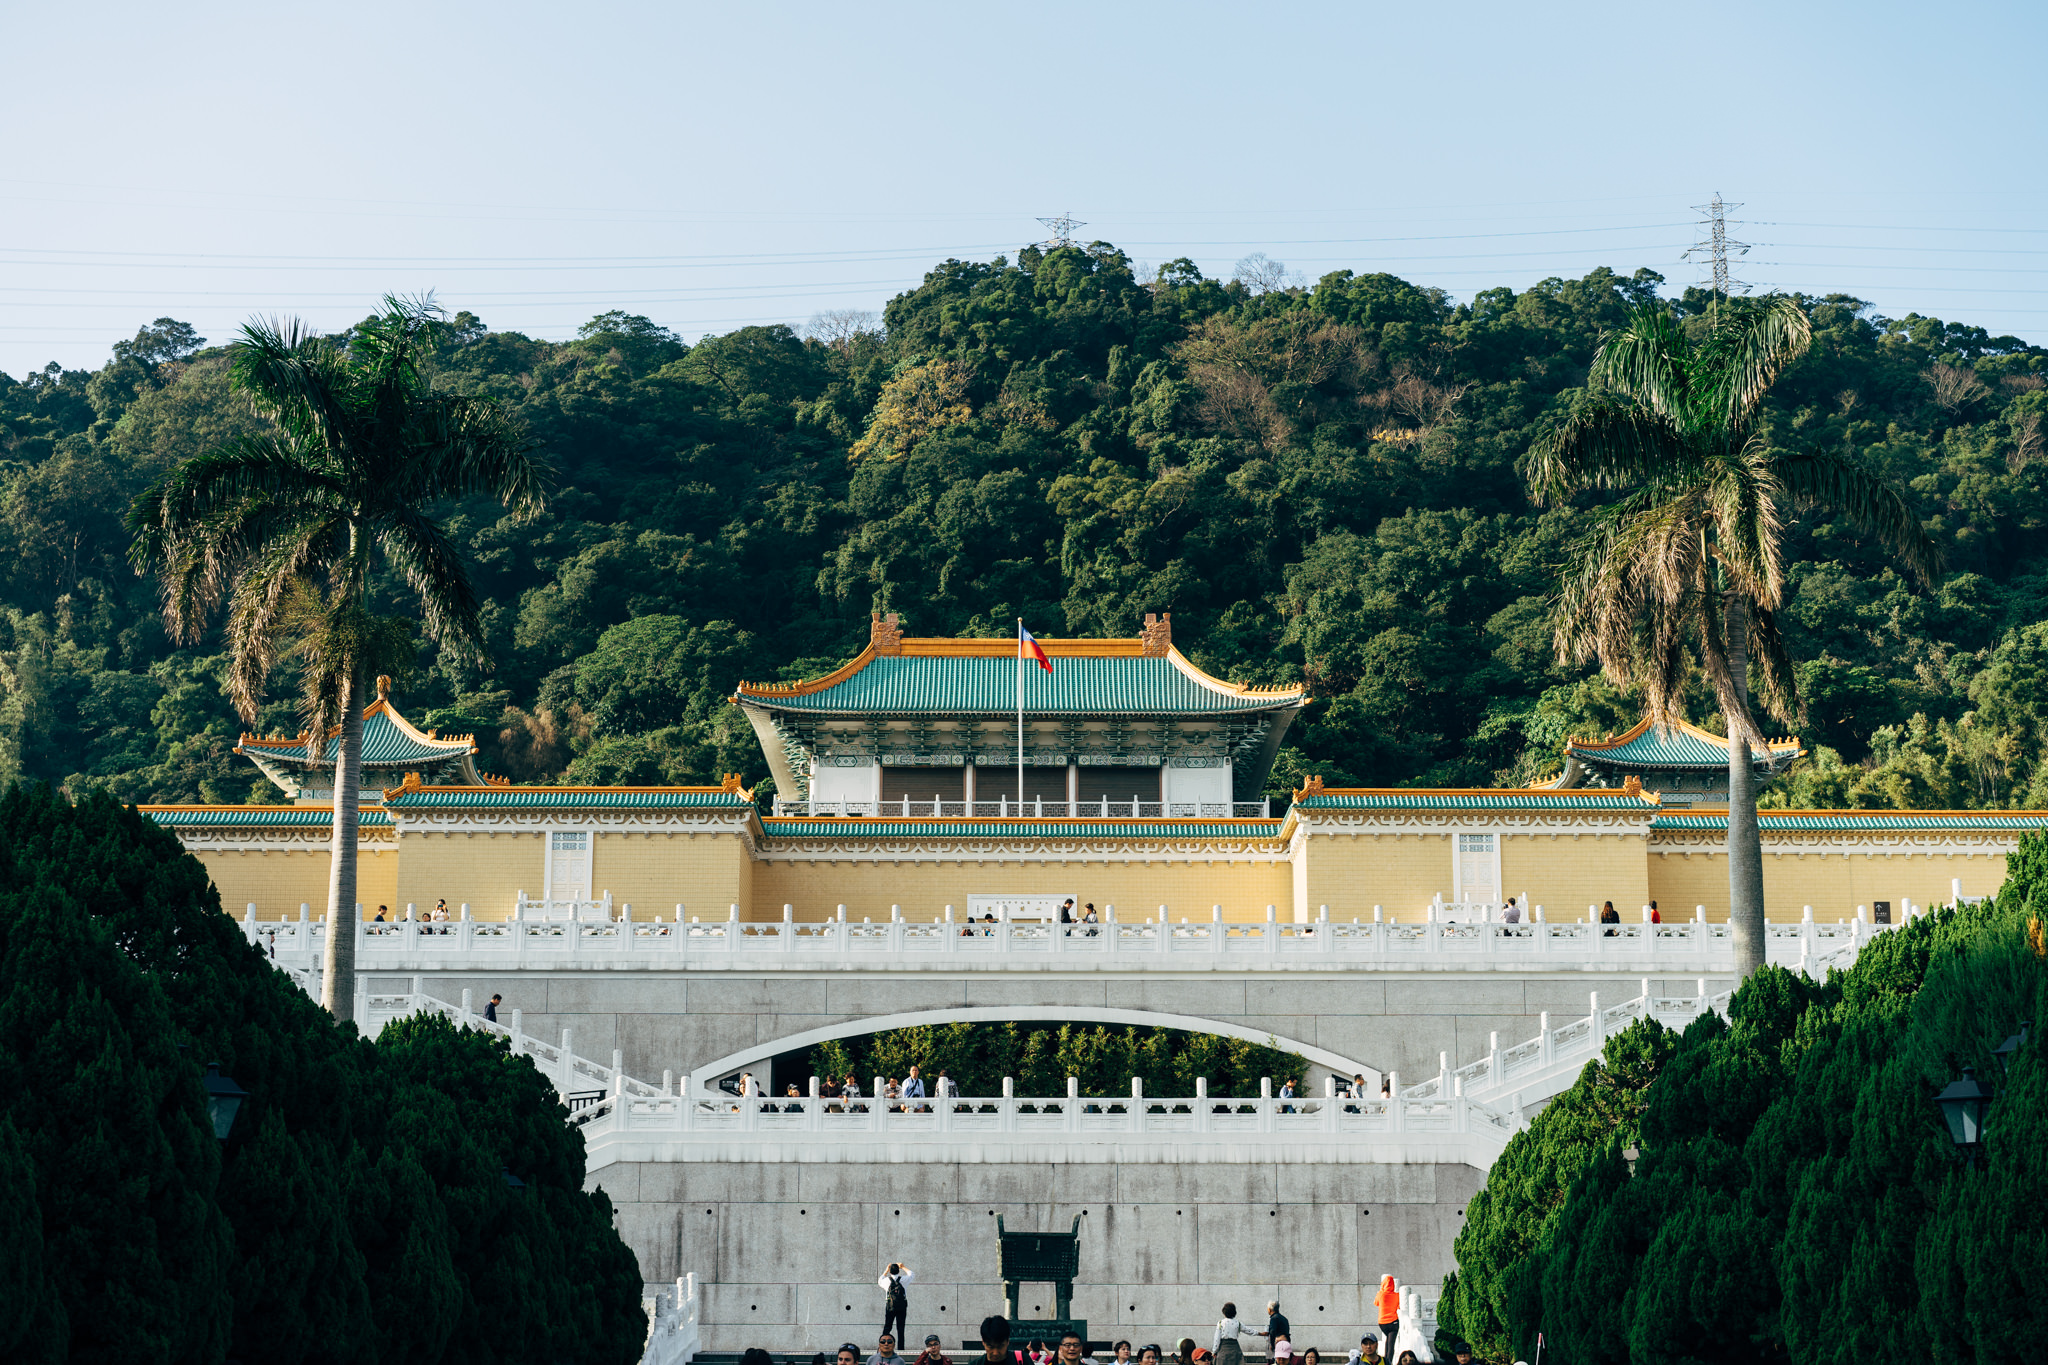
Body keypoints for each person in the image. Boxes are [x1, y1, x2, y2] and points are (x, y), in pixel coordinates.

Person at [879, 1261, 915, 1346]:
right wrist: (903, 1266)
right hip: (902, 1307)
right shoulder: (903, 1280)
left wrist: (886, 1270)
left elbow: (880, 1280)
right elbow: (912, 1274)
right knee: (901, 1328)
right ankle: (901, 1349)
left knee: (887, 1327)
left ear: (890, 1271)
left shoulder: (886, 1281)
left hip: (890, 1306)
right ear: (898, 1271)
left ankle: (883, 1345)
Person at [1373, 1276, 1400, 1362]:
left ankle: (1385, 1361)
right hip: (1393, 1323)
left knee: (1388, 1341)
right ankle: (1388, 1362)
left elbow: (1376, 1303)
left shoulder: (1380, 1294)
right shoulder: (1397, 1295)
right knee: (1391, 1344)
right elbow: (1399, 1306)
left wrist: (1381, 1290)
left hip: (1382, 1324)